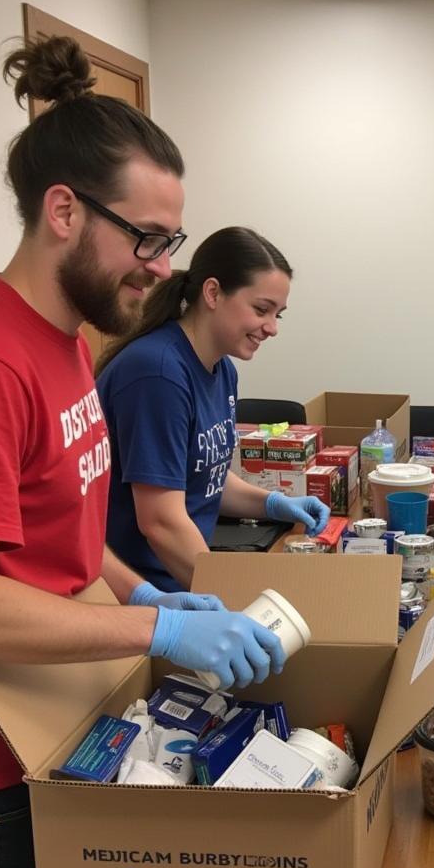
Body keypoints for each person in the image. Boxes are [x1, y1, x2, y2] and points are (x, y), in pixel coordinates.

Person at [0, 37, 284, 868]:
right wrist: (157, 630)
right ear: (64, 210)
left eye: (172, 238)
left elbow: (60, 537)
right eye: (149, 238)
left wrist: (138, 588)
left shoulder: (68, 344)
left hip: (50, 715)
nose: (161, 265)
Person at [96, 227, 328, 593]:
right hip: (144, 590)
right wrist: (227, 601)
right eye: (261, 309)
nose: (271, 328)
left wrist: (273, 503)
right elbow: (160, 521)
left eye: (278, 315)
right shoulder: (158, 374)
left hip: (185, 574)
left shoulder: (222, 369)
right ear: (213, 293)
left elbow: (206, 479)